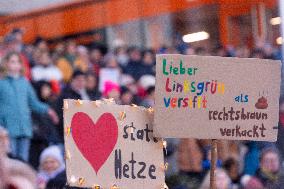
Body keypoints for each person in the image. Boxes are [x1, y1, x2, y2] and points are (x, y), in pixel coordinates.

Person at [0, 51, 58, 162]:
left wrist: (48, 110)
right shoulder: (1, 83)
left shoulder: (25, 82)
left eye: (18, 62)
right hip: (7, 129)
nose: (16, 65)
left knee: (24, 162)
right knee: (10, 161)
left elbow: (34, 103)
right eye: (12, 62)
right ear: (6, 64)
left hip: (24, 128)